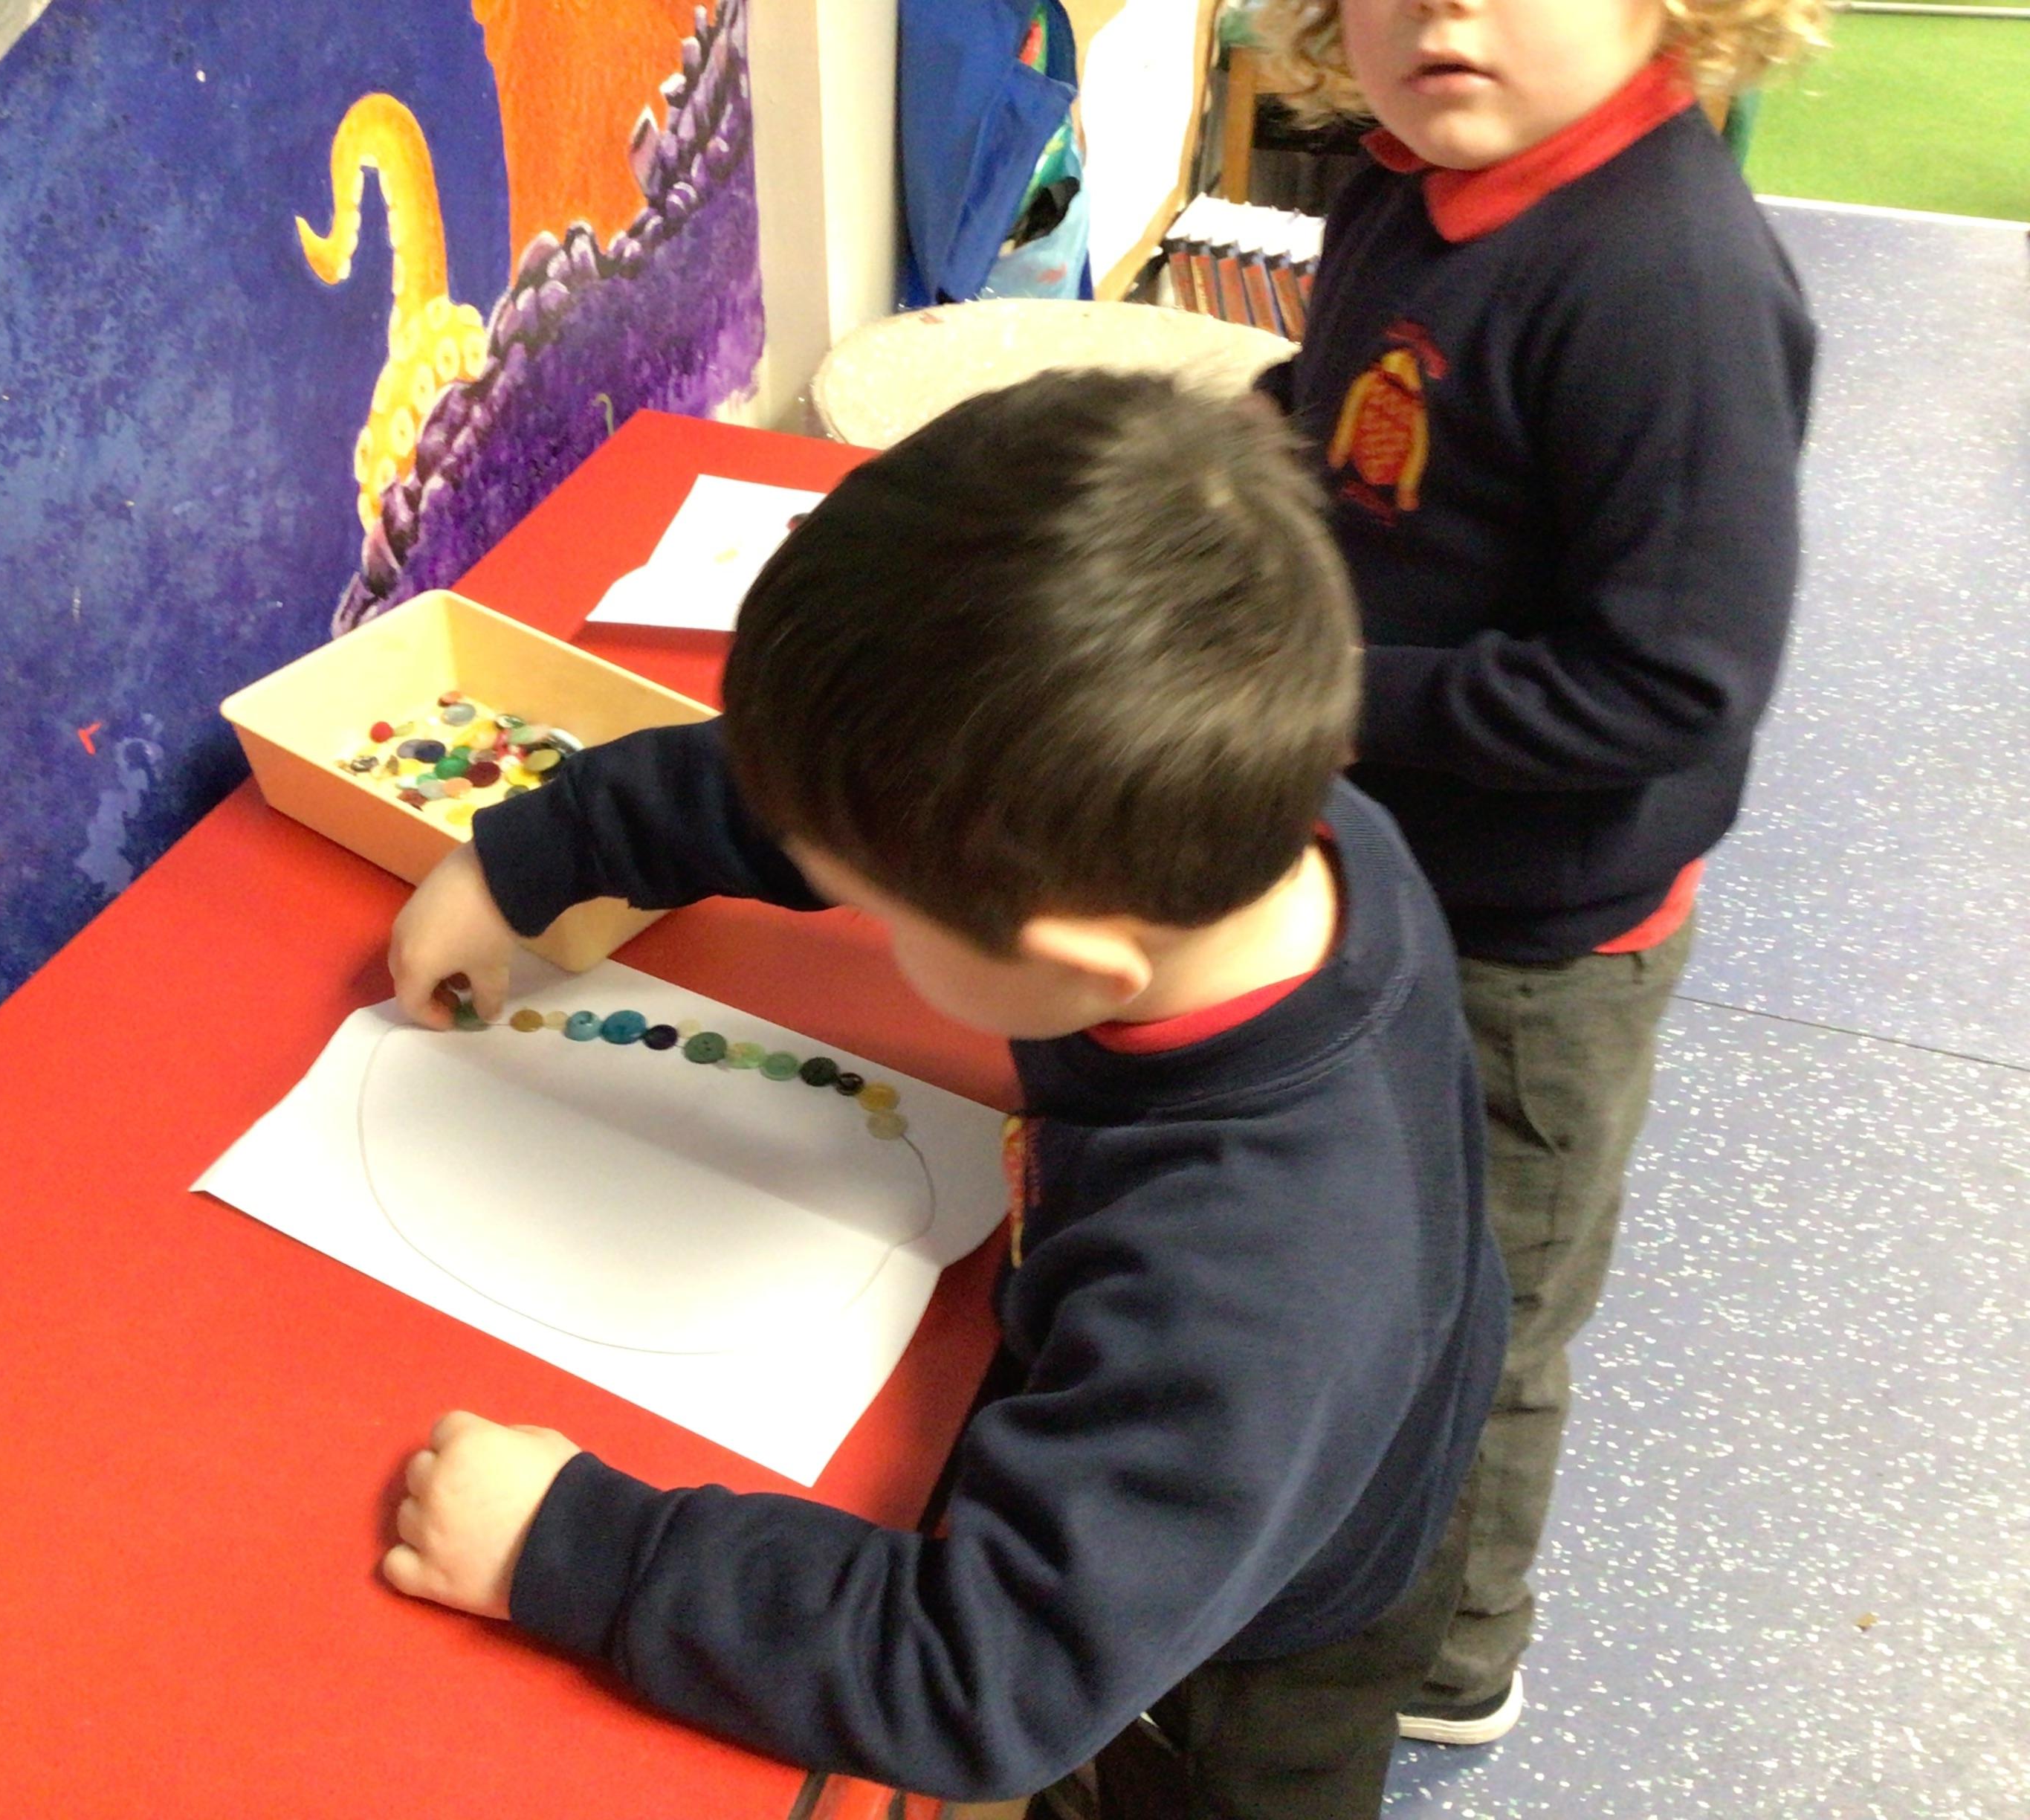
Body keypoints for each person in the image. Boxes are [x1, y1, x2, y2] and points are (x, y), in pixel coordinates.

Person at [377, 370, 1507, 1819]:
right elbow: (858, 789)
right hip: (1255, 1435)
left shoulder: (1251, 1285)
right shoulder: (1250, 820)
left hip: (1247, 1657)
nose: (859, 908)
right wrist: (538, 854)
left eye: (886, 913)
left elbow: (990, 1680)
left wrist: (577, 1550)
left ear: (1072, 963)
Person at [1247, 0, 1823, 1746]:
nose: (1444, 10)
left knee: (1485, 1318)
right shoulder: (1401, 175)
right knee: (1371, 1244)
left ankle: (1457, 1652)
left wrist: (1331, 695)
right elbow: (1345, 413)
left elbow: (1672, 686)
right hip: (1388, 851)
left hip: (1539, 947)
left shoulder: (1668, 287)